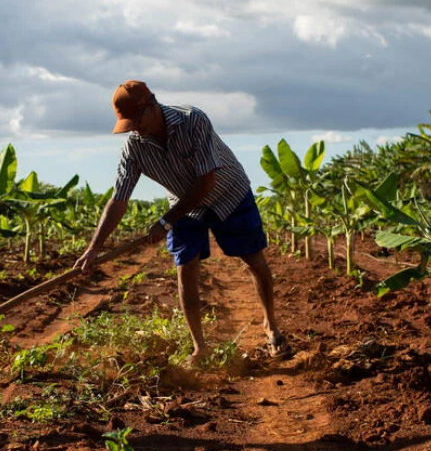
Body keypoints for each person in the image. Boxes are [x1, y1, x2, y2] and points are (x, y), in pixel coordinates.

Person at [73, 80, 285, 361]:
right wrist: (93, 248)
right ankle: (200, 347)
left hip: (228, 193)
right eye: (129, 125)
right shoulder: (134, 148)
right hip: (184, 206)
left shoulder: (192, 120)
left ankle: (271, 327)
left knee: (253, 260)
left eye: (137, 121)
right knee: (185, 268)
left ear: (151, 106)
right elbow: (119, 199)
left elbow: (206, 182)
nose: (135, 130)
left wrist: (165, 222)